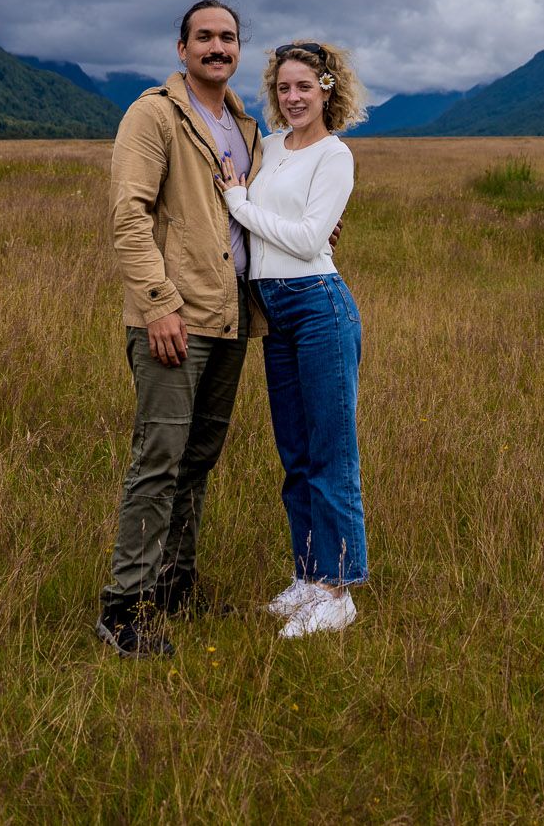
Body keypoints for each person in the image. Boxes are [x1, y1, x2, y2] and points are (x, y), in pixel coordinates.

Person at [98, 0, 267, 657]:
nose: (216, 47)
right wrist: (158, 302)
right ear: (181, 49)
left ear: (238, 49)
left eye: (227, 37)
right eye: (204, 37)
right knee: (159, 461)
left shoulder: (244, 127)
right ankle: (121, 610)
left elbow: (253, 213)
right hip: (174, 318)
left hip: (229, 320)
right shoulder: (153, 115)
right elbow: (129, 214)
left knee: (198, 460)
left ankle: (174, 587)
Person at [216, 40, 369, 638]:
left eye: (305, 85)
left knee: (331, 451)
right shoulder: (271, 148)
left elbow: (308, 240)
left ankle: (338, 592)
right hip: (272, 310)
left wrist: (237, 201)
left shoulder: (335, 155)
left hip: (317, 306)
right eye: (283, 87)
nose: (293, 96)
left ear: (328, 87)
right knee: (295, 453)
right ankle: (309, 576)